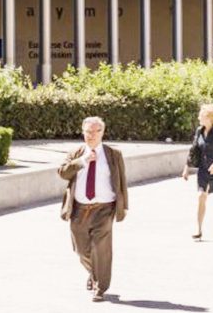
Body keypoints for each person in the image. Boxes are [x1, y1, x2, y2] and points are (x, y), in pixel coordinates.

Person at [58, 116, 128, 303]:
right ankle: (94, 271)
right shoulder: (76, 153)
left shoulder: (113, 154)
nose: (91, 135)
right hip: (79, 209)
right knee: (81, 250)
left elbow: (121, 181)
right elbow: (63, 173)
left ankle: (100, 287)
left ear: (102, 133)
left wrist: (124, 206)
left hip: (104, 209)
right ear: (83, 132)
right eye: (88, 131)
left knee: (102, 248)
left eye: (95, 131)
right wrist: (81, 161)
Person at [181, 104, 213, 239]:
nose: (199, 117)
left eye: (201, 115)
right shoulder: (199, 131)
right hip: (203, 169)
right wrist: (187, 167)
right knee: (200, 196)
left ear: (209, 117)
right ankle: (198, 229)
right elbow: (194, 149)